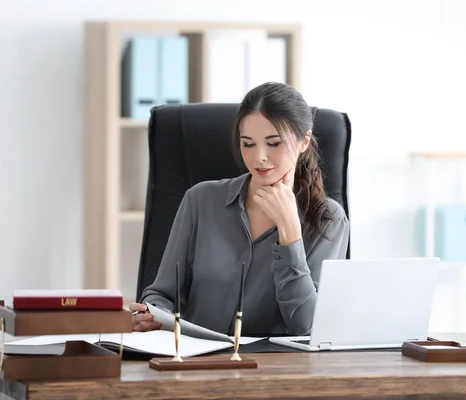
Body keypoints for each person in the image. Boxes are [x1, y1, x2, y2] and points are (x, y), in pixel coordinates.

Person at [129, 82, 350, 336]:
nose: (259, 157)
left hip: (276, 369)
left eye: (274, 143)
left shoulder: (329, 219)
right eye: (248, 144)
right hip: (197, 361)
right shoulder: (200, 200)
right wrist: (151, 313)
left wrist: (290, 231)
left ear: (304, 141)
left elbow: (307, 324)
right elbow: (163, 294)